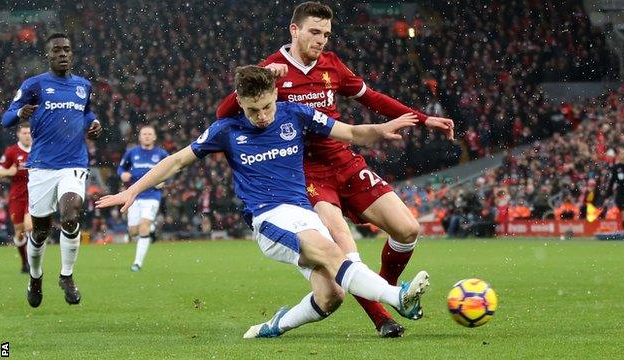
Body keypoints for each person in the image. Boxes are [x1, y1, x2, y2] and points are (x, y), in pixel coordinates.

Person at [97, 65, 429, 338]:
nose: (262, 116)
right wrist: (133, 190)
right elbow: (176, 161)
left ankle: (274, 326)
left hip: (303, 213)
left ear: (275, 95)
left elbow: (351, 133)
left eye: (267, 106)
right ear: (239, 102)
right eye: (253, 110)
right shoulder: (225, 130)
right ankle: (396, 298)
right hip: (268, 219)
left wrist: (382, 128)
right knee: (332, 253)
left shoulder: (295, 114)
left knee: (331, 297)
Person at [216, 1, 455, 338]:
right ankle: (382, 316)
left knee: (407, 229)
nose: (321, 40)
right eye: (315, 32)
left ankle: (382, 289)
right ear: (294, 30)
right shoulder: (272, 69)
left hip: (344, 160)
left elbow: (370, 97)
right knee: (342, 244)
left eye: (326, 34)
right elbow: (226, 111)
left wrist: (424, 117)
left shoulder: (331, 64)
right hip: (306, 172)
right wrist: (267, 76)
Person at [1, 33, 103, 307]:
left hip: (73, 164)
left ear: (72, 54)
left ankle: (66, 276)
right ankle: (35, 277)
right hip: (42, 167)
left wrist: (94, 123)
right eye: (57, 50)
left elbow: (87, 112)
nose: (62, 54)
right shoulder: (35, 85)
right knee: (41, 231)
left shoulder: (83, 86)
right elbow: (6, 117)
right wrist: (21, 114)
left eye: (66, 50)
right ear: (48, 55)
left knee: (70, 216)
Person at [117, 125, 169, 271]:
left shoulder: (161, 154)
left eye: (149, 134)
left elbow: (171, 171)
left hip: (152, 195)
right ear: (140, 137)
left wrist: (165, 181)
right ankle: (152, 228)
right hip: (134, 195)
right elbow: (121, 168)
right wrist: (122, 174)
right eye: (144, 134)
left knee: (143, 227)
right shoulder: (132, 153)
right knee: (133, 231)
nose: (146, 136)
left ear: (154, 137)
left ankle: (137, 263)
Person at [0, 122, 32, 273]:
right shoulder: (11, 151)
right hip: (17, 196)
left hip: (35, 195)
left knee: (29, 226)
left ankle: (34, 262)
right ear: (18, 134)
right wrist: (8, 172)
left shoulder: (39, 150)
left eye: (29, 133)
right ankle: (25, 263)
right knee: (19, 233)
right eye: (24, 133)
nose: (27, 135)